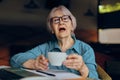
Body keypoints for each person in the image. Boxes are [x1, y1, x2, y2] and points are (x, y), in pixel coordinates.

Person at [10, 5, 99, 79]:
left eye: (65, 19)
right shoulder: (44, 48)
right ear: (52, 29)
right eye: (56, 20)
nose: (61, 22)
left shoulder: (85, 49)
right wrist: (33, 63)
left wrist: (82, 67)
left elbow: (95, 78)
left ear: (72, 25)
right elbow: (14, 60)